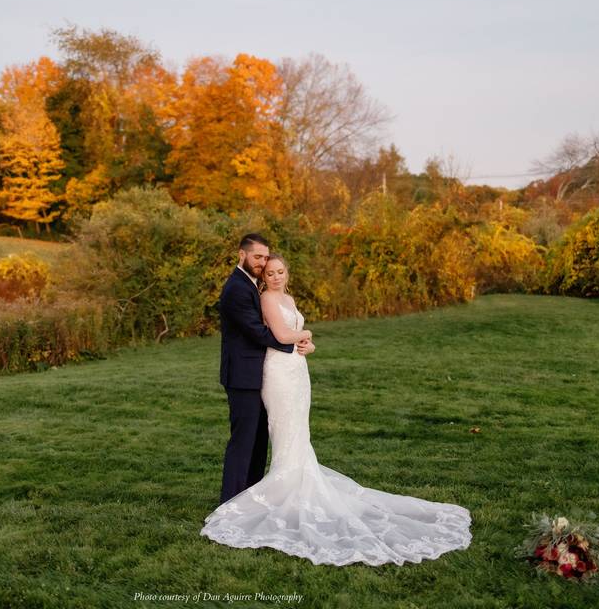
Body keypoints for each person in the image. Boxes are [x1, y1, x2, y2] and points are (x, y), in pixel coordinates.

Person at [202, 253, 473, 567]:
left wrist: (308, 346)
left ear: (287, 273)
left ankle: (298, 479)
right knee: (284, 428)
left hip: (297, 370)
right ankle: (285, 484)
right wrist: (307, 336)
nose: (275, 277)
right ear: (264, 278)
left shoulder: (288, 298)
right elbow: (279, 335)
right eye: (270, 273)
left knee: (299, 430)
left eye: (280, 272)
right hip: (277, 373)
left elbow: (293, 336)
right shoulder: (266, 299)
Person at [216, 234, 314, 505]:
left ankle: (251, 496)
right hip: (242, 376)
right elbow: (259, 331)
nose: (261, 263)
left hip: (261, 372)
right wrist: (295, 341)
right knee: (243, 440)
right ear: (241, 255)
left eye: (264, 257)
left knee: (258, 440)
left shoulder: (251, 285)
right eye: (257, 257)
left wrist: (299, 343)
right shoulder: (237, 288)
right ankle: (230, 501)